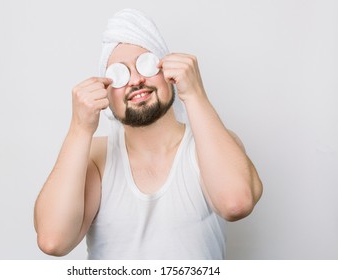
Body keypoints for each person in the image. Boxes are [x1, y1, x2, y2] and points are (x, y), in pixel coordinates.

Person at [34, 8, 263, 260]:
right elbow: (53, 240)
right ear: (107, 92)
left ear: (169, 72)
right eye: (118, 74)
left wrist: (194, 94)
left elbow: (236, 204)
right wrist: (80, 128)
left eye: (146, 65)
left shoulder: (210, 146)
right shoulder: (95, 158)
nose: (135, 80)